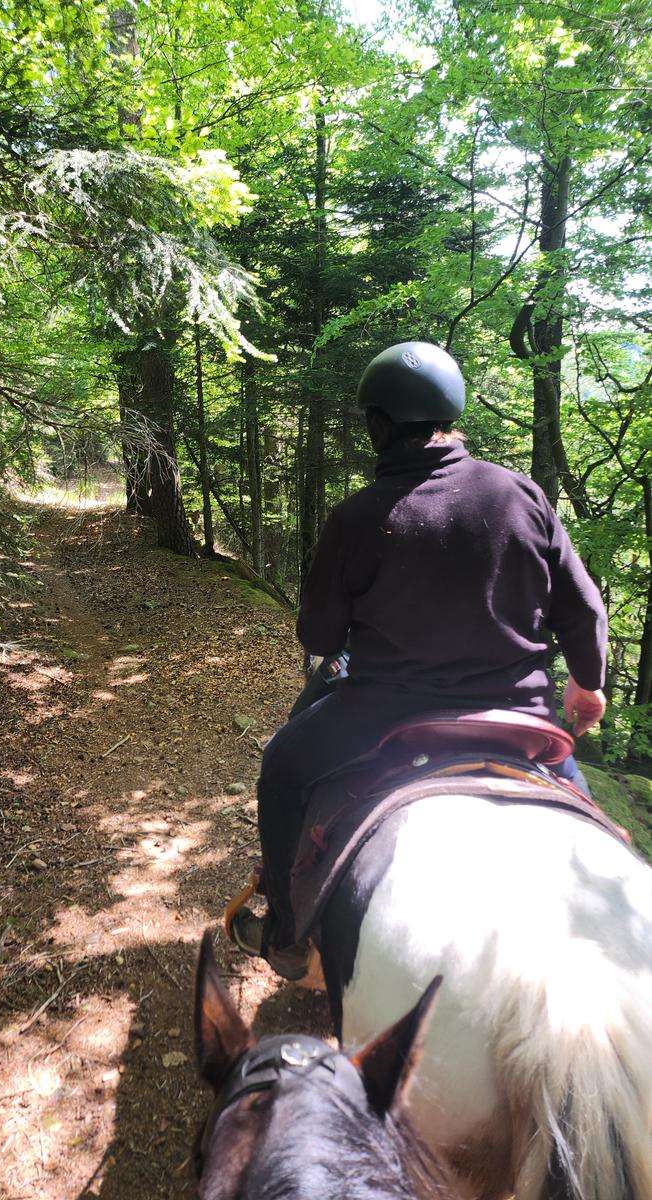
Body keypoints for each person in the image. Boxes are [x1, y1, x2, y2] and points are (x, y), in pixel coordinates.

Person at [232, 341, 608, 980]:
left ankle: (287, 931)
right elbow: (584, 610)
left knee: (282, 770)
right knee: (588, 824)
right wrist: (587, 684)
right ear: (450, 414)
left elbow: (320, 634)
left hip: (381, 713)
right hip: (518, 714)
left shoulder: (357, 517)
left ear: (378, 426)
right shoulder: (521, 495)